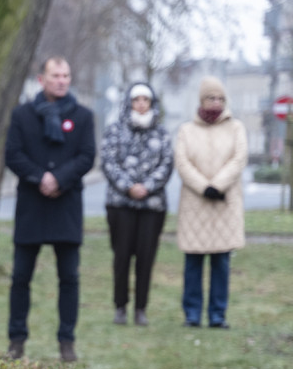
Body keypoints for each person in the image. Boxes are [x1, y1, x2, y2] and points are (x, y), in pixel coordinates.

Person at [4, 57, 95, 362]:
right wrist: (39, 176)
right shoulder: (21, 115)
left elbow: (87, 156)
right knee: (20, 278)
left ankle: (66, 342)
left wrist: (59, 178)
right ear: (42, 79)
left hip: (66, 206)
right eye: (56, 75)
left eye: (66, 75)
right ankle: (16, 340)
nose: (62, 80)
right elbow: (13, 155)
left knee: (69, 278)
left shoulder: (83, 116)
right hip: (31, 205)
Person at [174, 76, 247, 329]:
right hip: (196, 204)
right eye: (211, 98)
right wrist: (204, 187)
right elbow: (182, 163)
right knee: (193, 264)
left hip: (224, 204)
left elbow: (239, 159)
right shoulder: (186, 130)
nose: (216, 102)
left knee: (221, 264)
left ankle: (218, 315)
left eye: (220, 98)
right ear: (202, 100)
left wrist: (218, 185)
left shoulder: (236, 127)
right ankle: (192, 314)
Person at [100, 82, 174, 327]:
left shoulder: (161, 133)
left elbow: (166, 164)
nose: (141, 104)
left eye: (146, 100)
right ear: (129, 103)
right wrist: (128, 186)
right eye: (136, 100)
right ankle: (120, 306)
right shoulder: (115, 131)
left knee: (146, 258)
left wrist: (147, 187)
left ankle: (141, 308)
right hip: (121, 204)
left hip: (151, 207)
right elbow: (108, 161)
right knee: (121, 257)